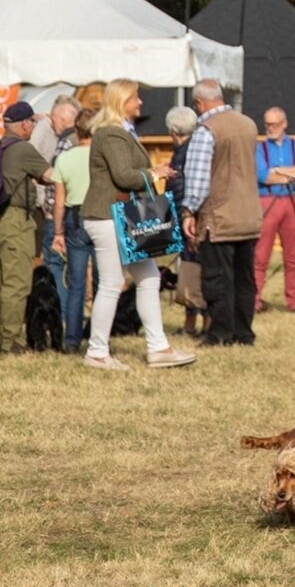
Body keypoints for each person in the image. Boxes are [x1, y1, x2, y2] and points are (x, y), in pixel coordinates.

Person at [81, 80, 196, 371]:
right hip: (107, 216)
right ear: (122, 101)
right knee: (111, 283)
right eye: (135, 97)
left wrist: (153, 173)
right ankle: (96, 352)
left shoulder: (122, 133)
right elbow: (124, 176)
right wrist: (152, 171)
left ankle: (158, 348)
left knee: (149, 278)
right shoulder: (111, 134)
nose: (141, 102)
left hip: (121, 216)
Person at [179, 79, 263, 348]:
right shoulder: (248, 124)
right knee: (244, 278)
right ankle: (243, 332)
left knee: (217, 278)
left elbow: (198, 179)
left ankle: (220, 333)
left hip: (220, 216)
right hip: (249, 215)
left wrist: (188, 210)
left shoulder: (206, 130)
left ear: (199, 103)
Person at [0, 101, 53, 355]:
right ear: (24, 124)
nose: (33, 126)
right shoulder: (23, 149)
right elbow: (50, 175)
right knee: (17, 284)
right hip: (16, 222)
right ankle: (11, 341)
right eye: (32, 122)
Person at [253, 106, 295, 313]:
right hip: (267, 201)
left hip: (292, 200)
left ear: (284, 124)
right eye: (268, 124)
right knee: (260, 256)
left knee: (293, 256)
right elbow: (262, 176)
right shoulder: (259, 148)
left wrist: (277, 170)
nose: (271, 128)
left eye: (275, 124)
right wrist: (290, 172)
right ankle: (254, 300)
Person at [49, 110, 97, 353]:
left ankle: (72, 339)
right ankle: (101, 337)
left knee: (76, 283)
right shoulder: (102, 157)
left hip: (75, 218)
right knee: (103, 282)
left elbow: (59, 202)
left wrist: (58, 232)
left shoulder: (64, 159)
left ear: (76, 131)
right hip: (102, 216)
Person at [30, 96, 80, 306]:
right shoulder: (78, 141)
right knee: (72, 265)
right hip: (75, 212)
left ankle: (58, 310)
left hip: (57, 213)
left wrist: (49, 211)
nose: (56, 124)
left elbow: (56, 182)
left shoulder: (64, 144)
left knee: (54, 264)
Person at [164, 106, 208, 336]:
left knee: (192, 270)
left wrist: (182, 217)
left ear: (174, 130)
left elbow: (181, 190)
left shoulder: (183, 153)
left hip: (188, 219)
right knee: (197, 269)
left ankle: (197, 323)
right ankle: (197, 321)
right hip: (197, 217)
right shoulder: (196, 147)